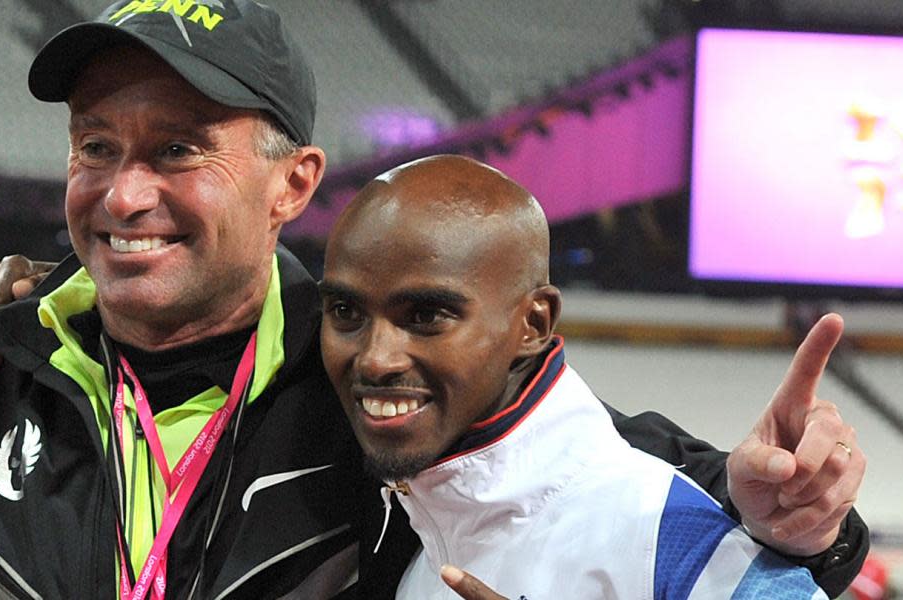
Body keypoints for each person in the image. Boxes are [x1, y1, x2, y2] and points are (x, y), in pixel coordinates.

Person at [0, 1, 866, 598]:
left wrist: (808, 523)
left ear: (294, 184)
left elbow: (665, 504)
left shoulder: (382, 382)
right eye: (96, 146)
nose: (122, 195)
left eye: (179, 149)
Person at [317, 153, 841, 598]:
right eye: (345, 311)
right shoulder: (410, 527)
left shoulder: (665, 534)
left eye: (427, 316)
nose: (375, 359)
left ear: (534, 324)